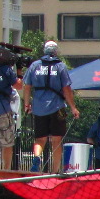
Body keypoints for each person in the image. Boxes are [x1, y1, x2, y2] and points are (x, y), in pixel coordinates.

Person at [23, 41, 80, 173]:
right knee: (56, 139)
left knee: (40, 139)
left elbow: (27, 86)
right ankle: (55, 170)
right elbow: (66, 89)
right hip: (57, 107)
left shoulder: (35, 66)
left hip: (38, 107)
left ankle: (37, 158)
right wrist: (73, 108)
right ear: (55, 52)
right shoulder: (60, 66)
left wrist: (26, 103)